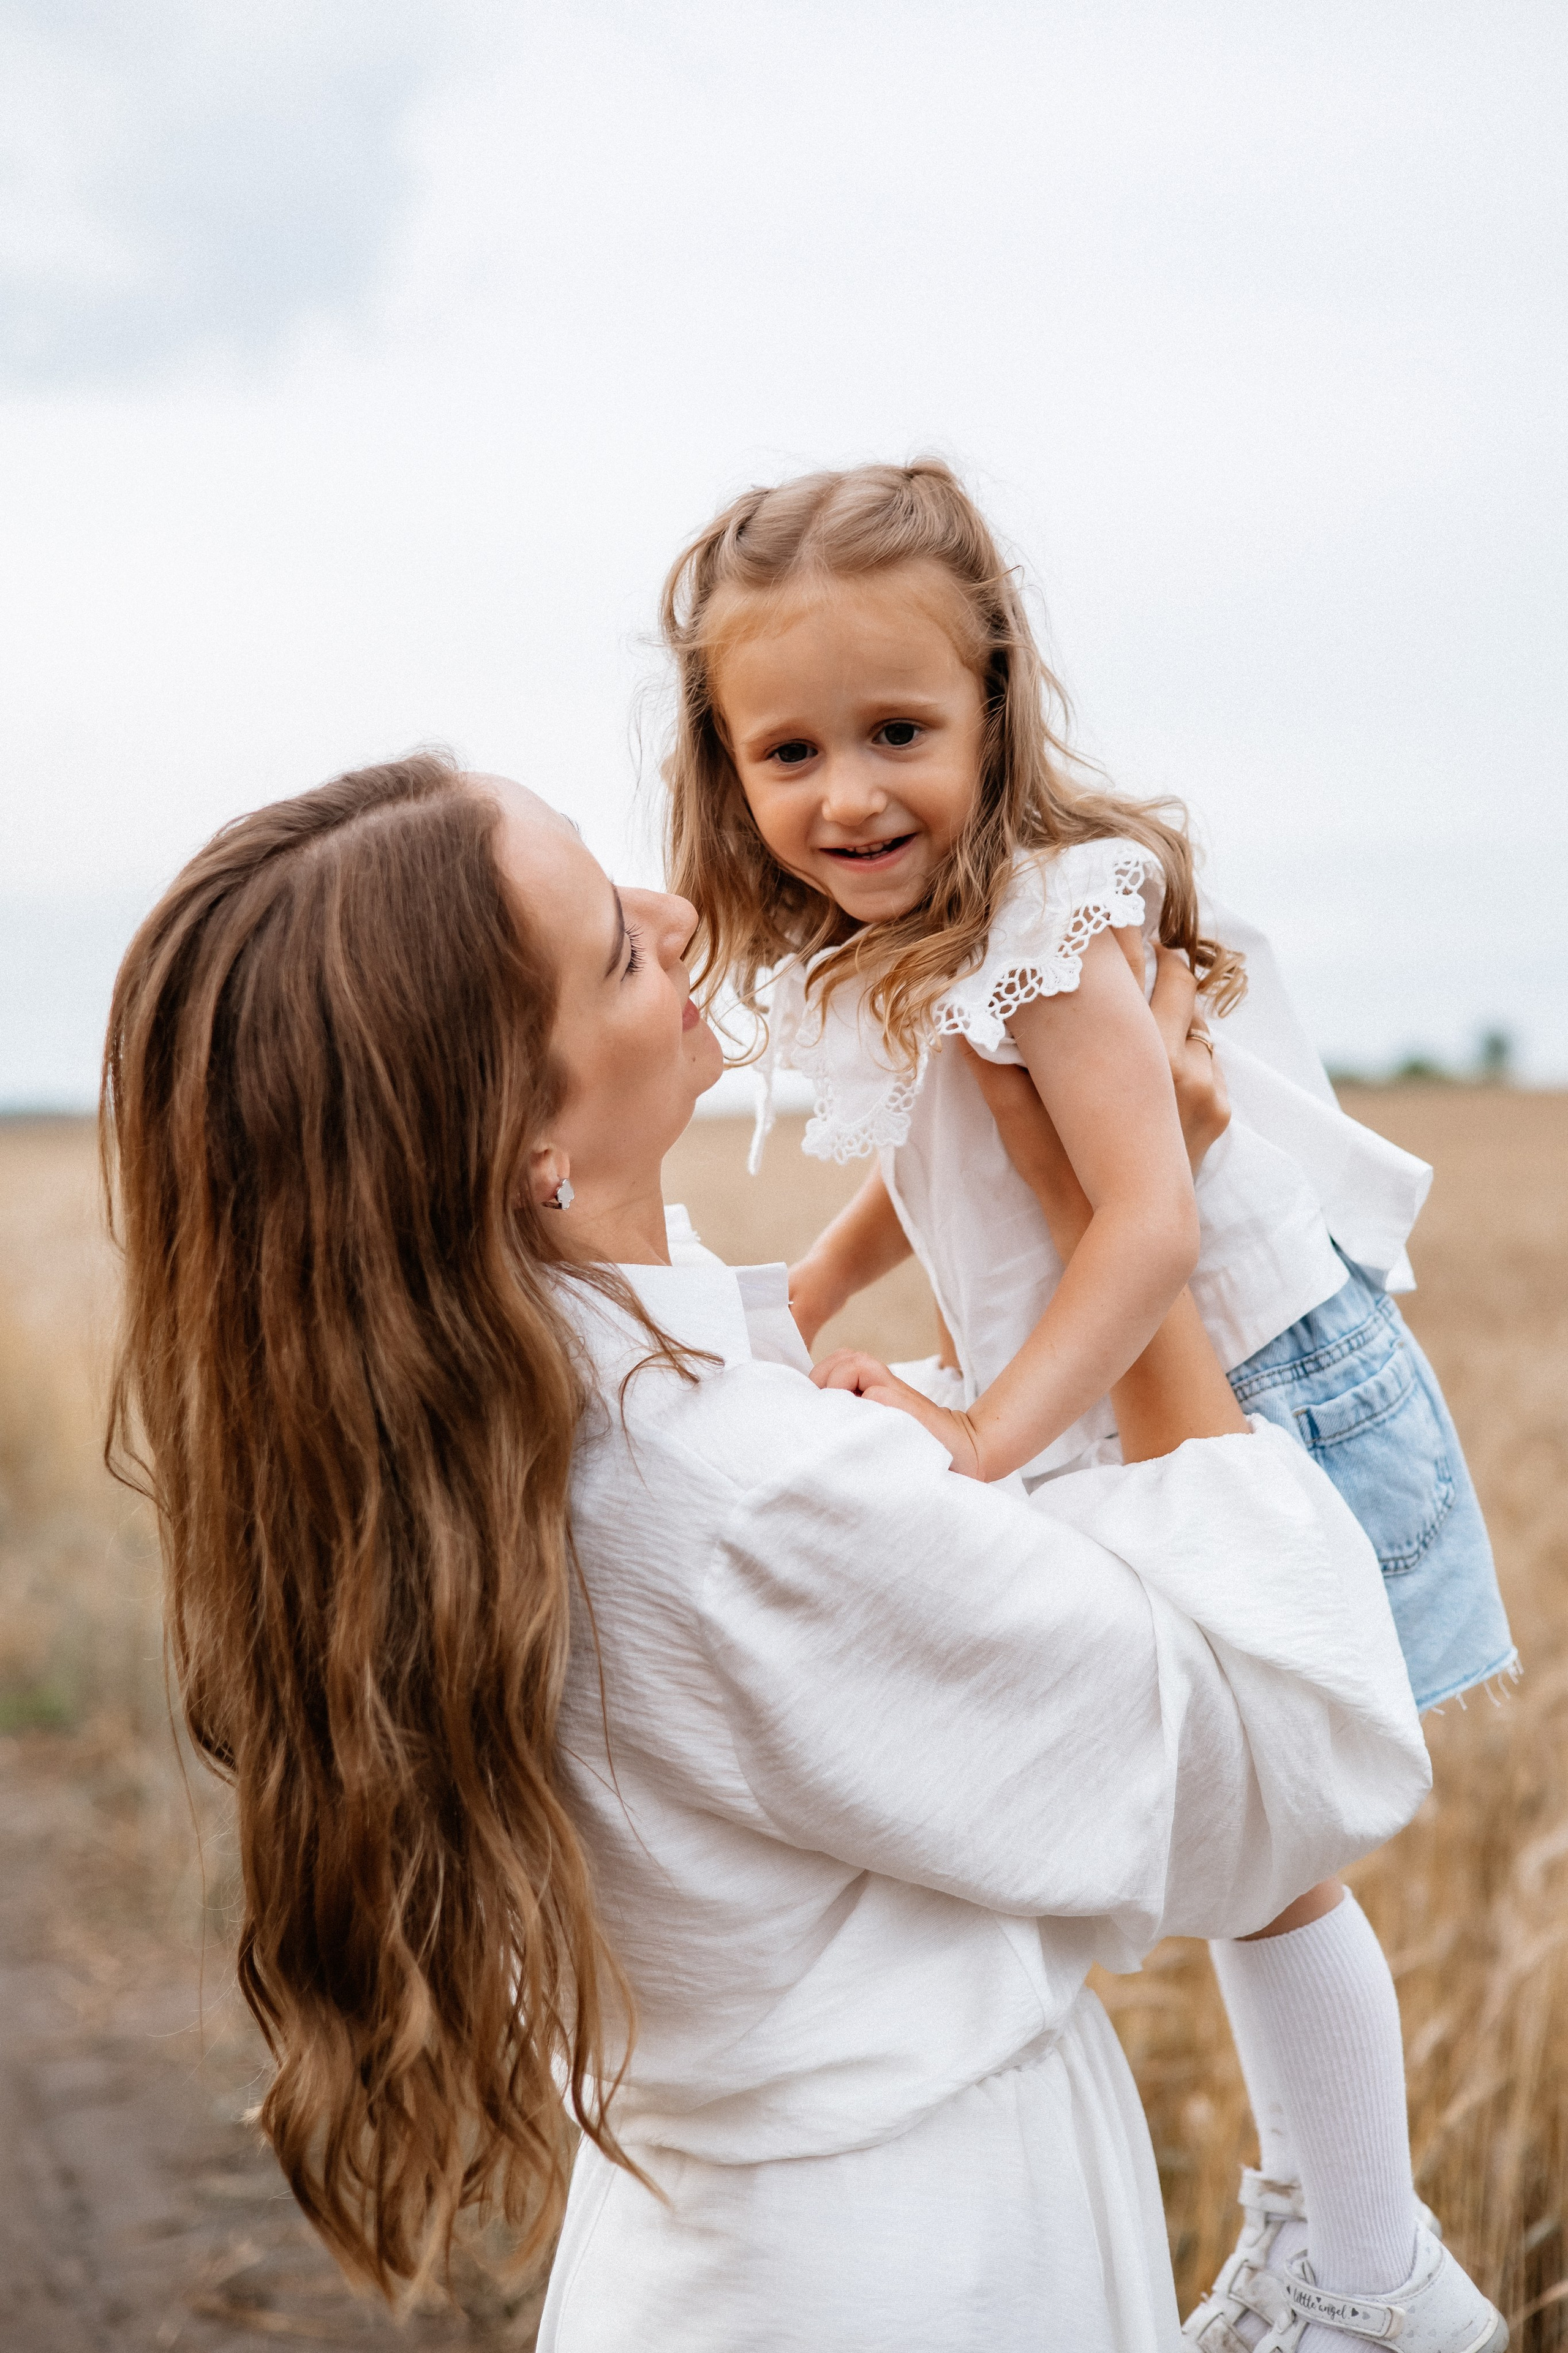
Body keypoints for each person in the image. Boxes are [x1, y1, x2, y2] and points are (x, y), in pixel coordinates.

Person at [104, 755, 1438, 2352]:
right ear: (523, 1132)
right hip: (921, 2278)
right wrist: (1138, 1210)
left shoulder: (485, 1438)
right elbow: (1292, 1764)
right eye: (613, 943)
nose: (679, 912)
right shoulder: (730, 1496)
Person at [658, 461, 1514, 2351]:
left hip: (1239, 1386)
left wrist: (978, 1435)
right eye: (788, 752)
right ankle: (1337, 2241)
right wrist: (799, 1294)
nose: (848, 794)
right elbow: (941, 1143)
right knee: (1243, 1857)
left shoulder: (1054, 918)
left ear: (993, 698)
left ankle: (1374, 2276)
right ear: (726, 767)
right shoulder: (927, 936)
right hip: (1108, 1379)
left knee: (1273, 1858)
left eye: (898, 731)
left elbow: (1144, 1220)